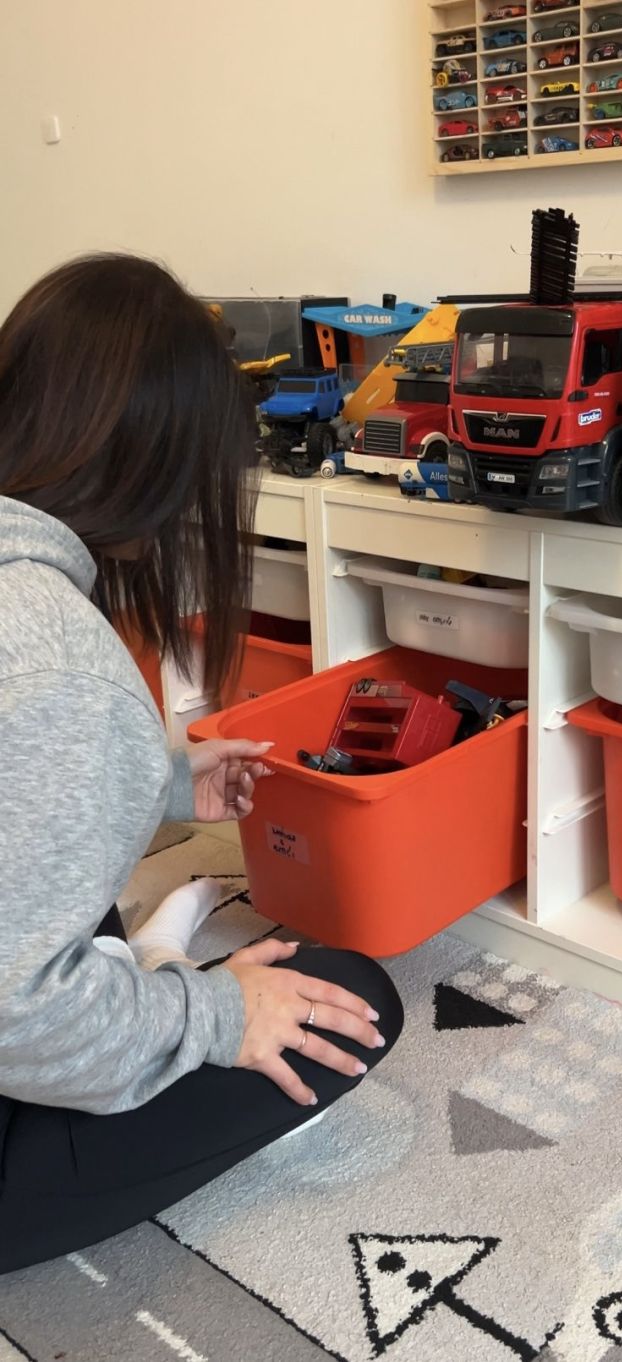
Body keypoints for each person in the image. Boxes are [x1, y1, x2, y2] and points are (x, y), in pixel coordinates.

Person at [0, 254, 404, 1274]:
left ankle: (134, 969)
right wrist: (217, 1014)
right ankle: (149, 982)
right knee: (353, 1001)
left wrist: (155, 777)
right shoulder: (60, 665)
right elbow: (16, 1016)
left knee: (85, 915)